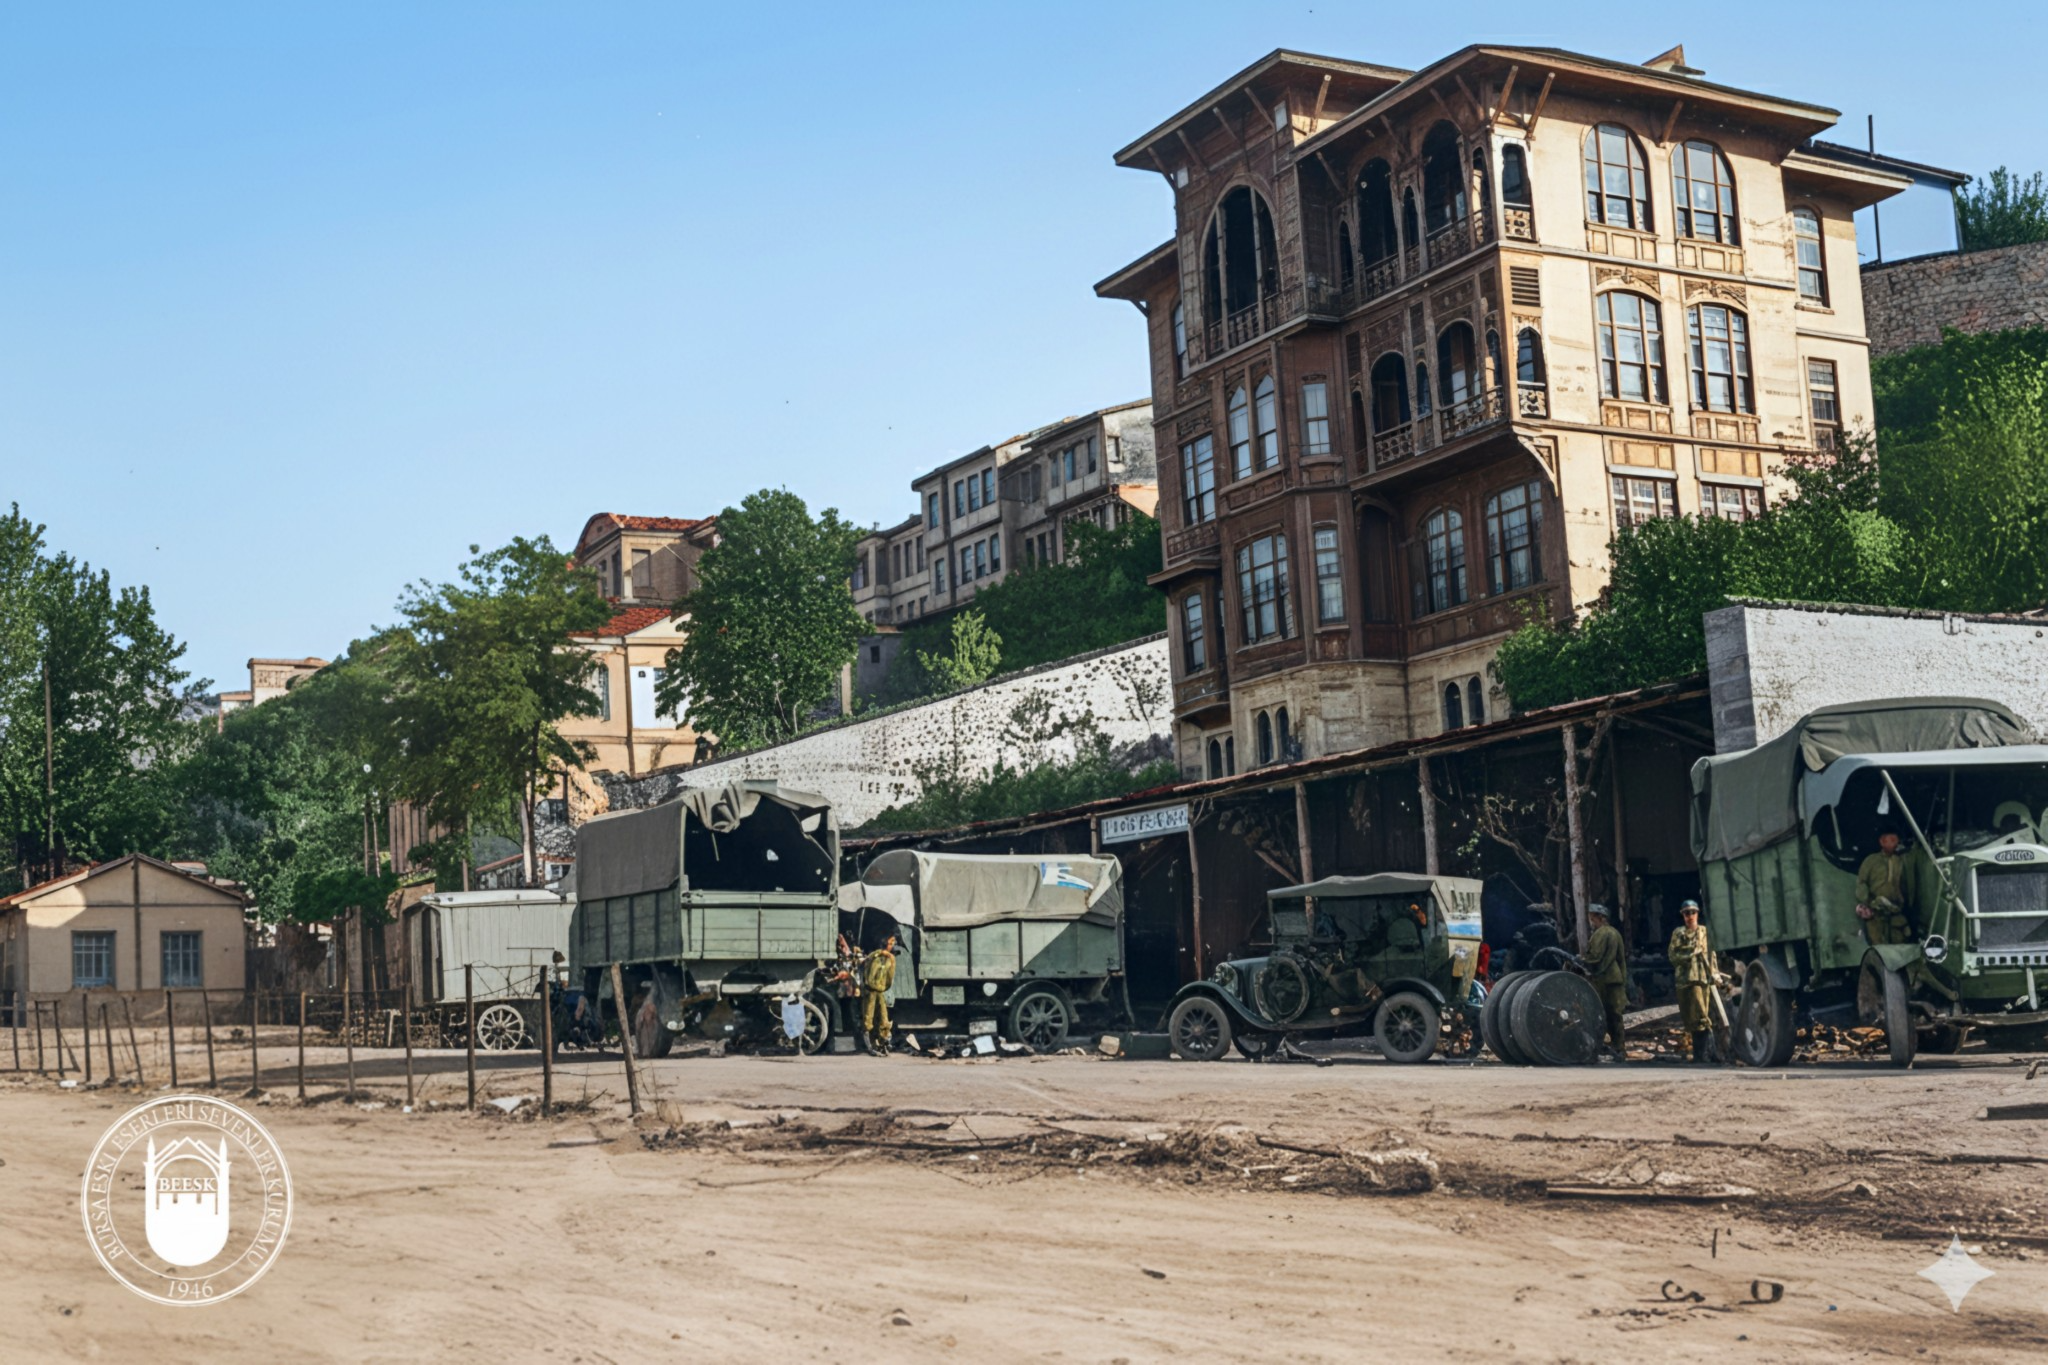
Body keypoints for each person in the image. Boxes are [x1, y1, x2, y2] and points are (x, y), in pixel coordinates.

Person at [1667, 900, 1717, 1063]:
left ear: (1698, 914)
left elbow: (1711, 953)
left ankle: (1706, 1054)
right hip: (1684, 980)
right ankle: (1700, 1053)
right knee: (1689, 1019)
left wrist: (1714, 973)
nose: (1690, 916)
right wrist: (1691, 954)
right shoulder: (1678, 933)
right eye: (1686, 913)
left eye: (1693, 913)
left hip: (1700, 979)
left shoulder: (1703, 931)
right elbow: (1673, 956)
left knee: (1702, 1017)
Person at [1582, 905, 1629, 1062]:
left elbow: (1595, 957)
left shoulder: (1601, 933)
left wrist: (1581, 960)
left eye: (1592, 918)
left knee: (1600, 1013)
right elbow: (1621, 958)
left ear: (1599, 917)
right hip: (1615, 978)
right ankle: (1619, 1048)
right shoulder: (1615, 933)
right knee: (1615, 1015)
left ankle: (1598, 1048)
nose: (1591, 921)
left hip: (1603, 978)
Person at [1856, 828, 1915, 946]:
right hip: (1875, 914)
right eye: (1892, 840)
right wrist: (1867, 902)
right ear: (1882, 842)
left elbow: (1907, 886)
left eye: (1897, 840)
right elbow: (1861, 883)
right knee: (1879, 950)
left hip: (1896, 915)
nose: (1896, 843)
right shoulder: (1871, 861)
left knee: (1899, 950)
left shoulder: (1900, 861)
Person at [861, 933, 898, 1056]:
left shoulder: (889, 958)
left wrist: (892, 961)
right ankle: (870, 1046)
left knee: (883, 1018)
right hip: (871, 990)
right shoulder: (875, 957)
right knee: (868, 1018)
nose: (892, 946)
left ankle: (882, 1043)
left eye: (893, 943)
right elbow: (869, 977)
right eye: (890, 943)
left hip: (880, 991)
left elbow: (889, 978)